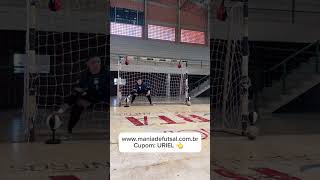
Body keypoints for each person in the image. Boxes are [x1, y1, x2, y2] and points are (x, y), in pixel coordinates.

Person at [55, 56, 108, 140]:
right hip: (91, 96)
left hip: (106, 95)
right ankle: (64, 122)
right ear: (87, 64)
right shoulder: (84, 75)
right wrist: (81, 91)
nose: (96, 64)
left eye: (98, 62)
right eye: (93, 62)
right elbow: (78, 89)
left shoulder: (106, 72)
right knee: (77, 103)